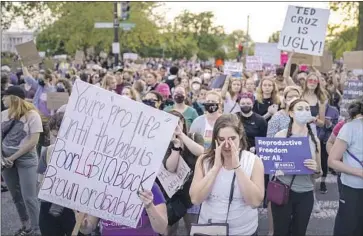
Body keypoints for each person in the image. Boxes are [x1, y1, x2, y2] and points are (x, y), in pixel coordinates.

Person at [190, 114, 265, 236]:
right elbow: (195, 199)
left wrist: (238, 168)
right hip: (210, 230)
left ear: (240, 136)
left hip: (244, 231)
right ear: (215, 139)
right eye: (221, 139)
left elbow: (255, 202)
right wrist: (215, 168)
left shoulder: (254, 161)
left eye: (232, 138)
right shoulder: (204, 160)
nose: (226, 145)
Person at [271, 98, 322, 236]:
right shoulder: (280, 136)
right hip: (283, 190)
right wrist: (278, 166)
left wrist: (316, 168)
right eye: (300, 109)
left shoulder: (314, 140)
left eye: (307, 109)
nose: (304, 112)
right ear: (291, 113)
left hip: (305, 193)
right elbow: (271, 166)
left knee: (299, 232)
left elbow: (318, 173)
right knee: (280, 231)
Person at [1, 86, 42, 235]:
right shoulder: (3, 114)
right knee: (15, 195)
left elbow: (33, 142)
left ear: (13, 98)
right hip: (6, 160)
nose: (2, 99)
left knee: (29, 197)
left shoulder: (32, 115)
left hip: (26, 159)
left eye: (4, 96)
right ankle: (26, 225)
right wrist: (2, 158)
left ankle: (37, 229)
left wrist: (12, 157)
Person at [162, 111, 204, 235]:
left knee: (193, 228)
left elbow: (201, 152)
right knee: (170, 229)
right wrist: (175, 146)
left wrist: (181, 135)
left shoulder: (194, 136)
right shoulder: (164, 141)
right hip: (172, 192)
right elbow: (170, 167)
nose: (175, 125)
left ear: (183, 123)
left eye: (178, 122)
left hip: (192, 190)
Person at [37, 112, 76, 236]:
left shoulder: (84, 157)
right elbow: (41, 182)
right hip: (49, 206)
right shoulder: (47, 152)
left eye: (64, 137)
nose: (59, 141)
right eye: (54, 136)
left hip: (74, 208)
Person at [328, 98, 363, 236]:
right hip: (354, 189)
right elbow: (332, 161)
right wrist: (359, 172)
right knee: (349, 228)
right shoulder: (350, 127)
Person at [79, 183, 168, 236]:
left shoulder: (149, 187)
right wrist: (83, 225)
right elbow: (88, 228)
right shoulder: (100, 188)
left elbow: (161, 228)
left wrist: (150, 206)